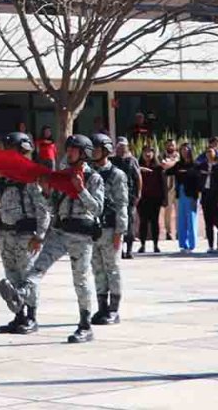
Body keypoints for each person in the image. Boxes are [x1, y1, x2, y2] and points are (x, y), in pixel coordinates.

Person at [15, 134, 103, 345]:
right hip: (60, 232)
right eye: (69, 149)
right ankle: (20, 293)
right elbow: (52, 207)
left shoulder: (93, 179)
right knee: (38, 266)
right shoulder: (62, 176)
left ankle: (85, 325)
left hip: (81, 236)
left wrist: (81, 189)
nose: (69, 153)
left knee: (80, 280)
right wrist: (46, 193)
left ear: (84, 154)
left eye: (73, 149)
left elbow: (98, 208)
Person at [0, 132, 48, 334]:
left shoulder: (32, 176)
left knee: (28, 276)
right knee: (12, 275)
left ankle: (31, 317)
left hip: (26, 235)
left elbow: (44, 210)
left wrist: (40, 236)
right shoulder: (4, 175)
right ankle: (18, 315)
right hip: (6, 233)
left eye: (11, 149)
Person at [89, 134, 129, 324]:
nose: (92, 152)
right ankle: (101, 306)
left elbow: (122, 204)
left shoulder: (116, 174)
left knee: (111, 268)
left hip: (110, 228)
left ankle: (114, 309)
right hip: (92, 229)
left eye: (96, 148)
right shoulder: (89, 173)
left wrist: (120, 231)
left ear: (105, 150)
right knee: (97, 269)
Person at [112, 138, 140, 260]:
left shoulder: (132, 160)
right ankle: (119, 250)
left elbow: (138, 177)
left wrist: (138, 194)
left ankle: (129, 250)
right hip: (115, 196)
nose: (121, 149)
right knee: (117, 223)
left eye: (124, 146)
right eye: (119, 146)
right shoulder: (112, 161)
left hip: (129, 195)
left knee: (130, 222)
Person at [135, 145, 165, 254]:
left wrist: (164, 199)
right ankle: (142, 245)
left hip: (155, 199)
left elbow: (163, 184)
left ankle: (156, 245)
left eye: (150, 152)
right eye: (145, 152)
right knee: (143, 222)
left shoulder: (158, 168)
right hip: (142, 199)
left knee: (154, 222)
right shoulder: (138, 167)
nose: (148, 154)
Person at [171, 144, 200, 252]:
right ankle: (183, 244)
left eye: (186, 150)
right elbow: (169, 172)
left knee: (191, 219)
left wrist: (187, 172)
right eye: (182, 150)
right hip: (181, 193)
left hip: (191, 194)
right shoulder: (179, 164)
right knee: (181, 219)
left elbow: (198, 180)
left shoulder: (195, 165)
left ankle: (192, 245)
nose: (184, 152)